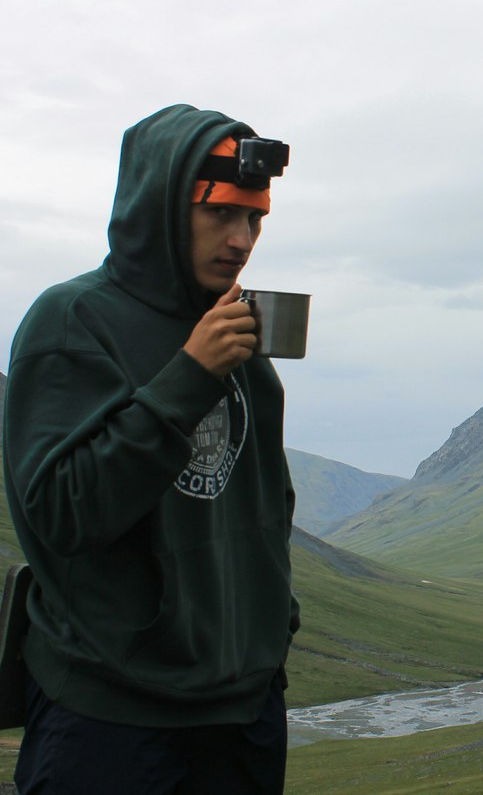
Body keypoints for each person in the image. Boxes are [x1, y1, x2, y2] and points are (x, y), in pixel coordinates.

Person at [2, 104, 300, 793]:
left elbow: (266, 505)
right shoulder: (73, 319)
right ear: (160, 204)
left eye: (255, 218)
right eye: (221, 212)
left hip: (241, 710)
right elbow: (60, 512)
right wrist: (188, 378)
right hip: (110, 710)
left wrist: (271, 635)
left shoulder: (236, 330)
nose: (241, 238)